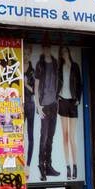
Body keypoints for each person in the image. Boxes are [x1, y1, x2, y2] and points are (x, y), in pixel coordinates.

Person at [34, 49, 62, 178]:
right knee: (43, 138)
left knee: (50, 138)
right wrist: (38, 106)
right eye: (45, 46)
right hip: (44, 106)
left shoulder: (56, 63)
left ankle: (48, 165)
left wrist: (57, 101)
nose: (47, 48)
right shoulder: (40, 64)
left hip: (53, 106)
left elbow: (58, 82)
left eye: (49, 46)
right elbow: (36, 86)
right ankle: (41, 165)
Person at [57, 45, 83, 178]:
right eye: (62, 52)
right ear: (61, 55)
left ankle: (75, 166)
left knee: (72, 137)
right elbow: (57, 83)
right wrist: (57, 97)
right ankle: (68, 167)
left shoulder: (75, 66)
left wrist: (78, 98)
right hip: (62, 101)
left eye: (66, 51)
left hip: (72, 102)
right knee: (65, 136)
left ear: (69, 52)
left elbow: (79, 84)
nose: (64, 54)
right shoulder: (59, 68)